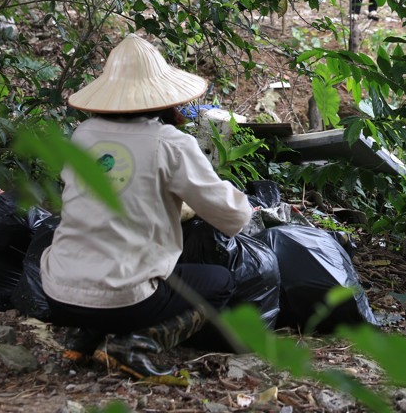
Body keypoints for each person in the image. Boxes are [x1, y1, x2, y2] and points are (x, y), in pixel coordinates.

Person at [40, 33, 253, 377]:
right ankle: (138, 343)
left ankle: (80, 341)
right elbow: (232, 216)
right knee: (219, 281)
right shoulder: (169, 142)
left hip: (57, 291)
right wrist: (241, 207)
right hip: (124, 301)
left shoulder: (83, 135)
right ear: (166, 99)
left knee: (106, 257)